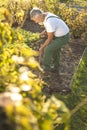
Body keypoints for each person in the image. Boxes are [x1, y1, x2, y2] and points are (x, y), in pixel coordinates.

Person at [30, 7, 70, 73]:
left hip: (63, 37)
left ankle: (46, 68)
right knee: (55, 50)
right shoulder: (46, 15)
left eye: (35, 20)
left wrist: (42, 48)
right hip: (60, 34)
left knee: (47, 49)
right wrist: (45, 31)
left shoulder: (49, 22)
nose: (36, 22)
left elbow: (49, 39)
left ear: (39, 15)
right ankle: (56, 67)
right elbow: (53, 26)